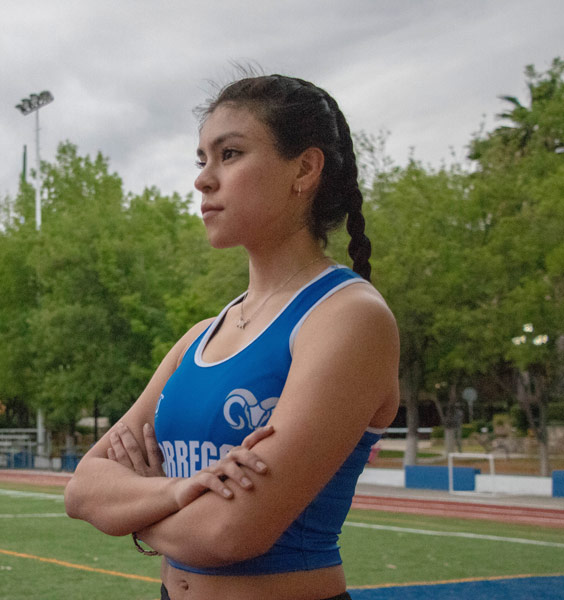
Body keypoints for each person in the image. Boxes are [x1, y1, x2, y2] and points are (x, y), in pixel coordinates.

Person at [64, 73, 400, 600]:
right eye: (201, 160)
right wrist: (181, 491)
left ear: (305, 169)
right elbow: (83, 488)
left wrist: (134, 507)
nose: (203, 179)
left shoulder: (348, 318)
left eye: (231, 154)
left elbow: (230, 533)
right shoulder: (200, 336)